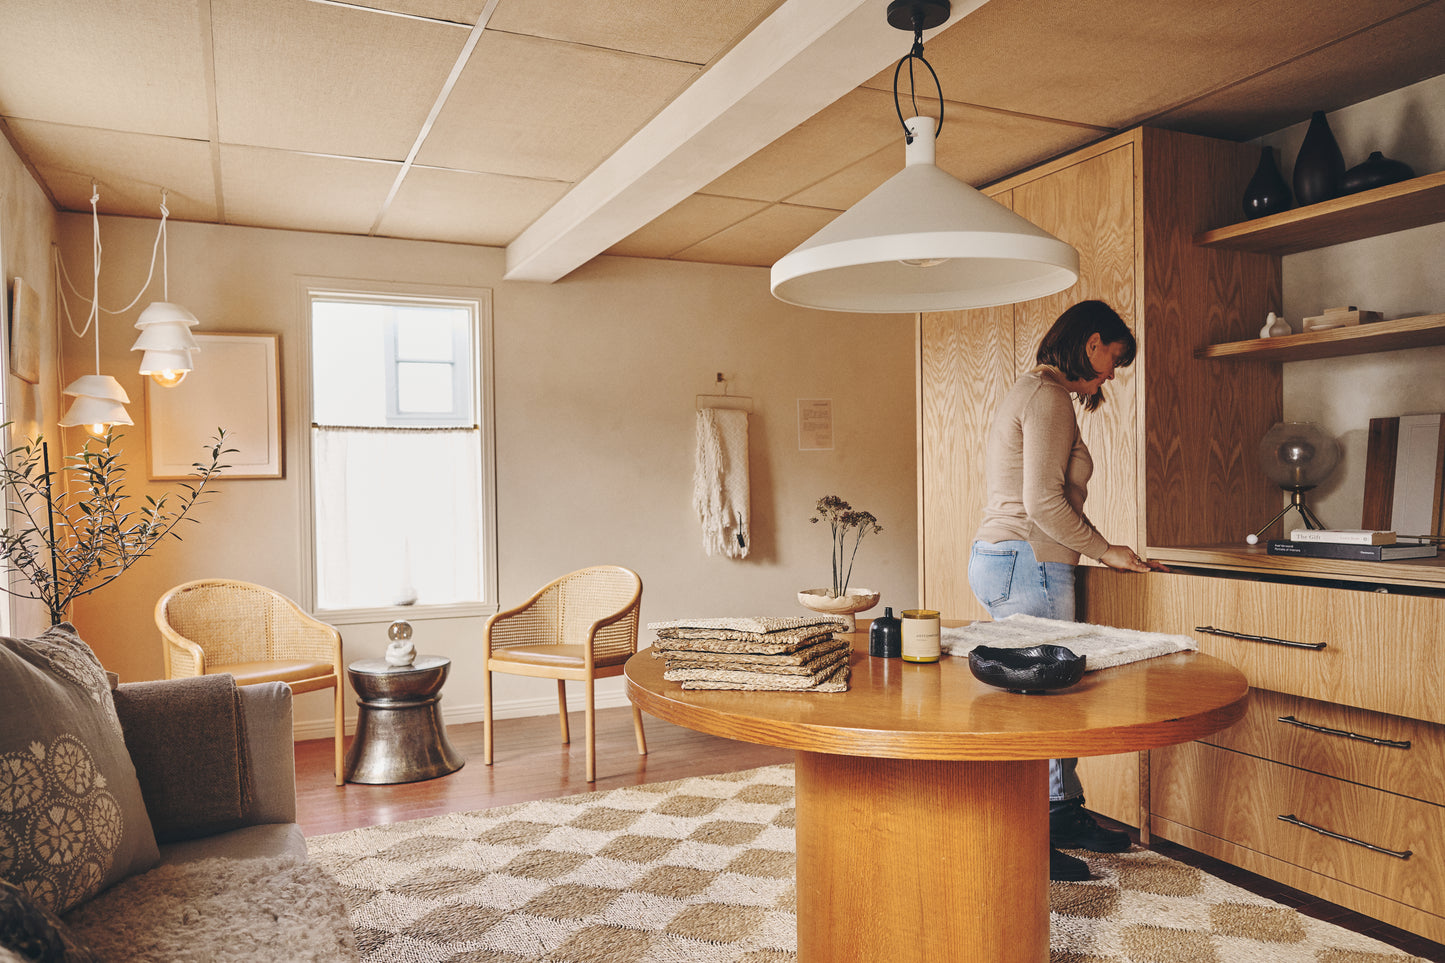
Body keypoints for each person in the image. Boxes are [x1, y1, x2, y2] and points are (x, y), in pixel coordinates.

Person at [966, 299, 1163, 882]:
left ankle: (1061, 813)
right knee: (1044, 706)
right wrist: (1107, 550)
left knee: (1044, 700)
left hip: (1008, 558)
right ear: (1093, 341)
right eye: (1112, 361)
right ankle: (1032, 837)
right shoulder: (1048, 396)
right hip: (1030, 560)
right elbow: (1043, 504)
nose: (1108, 376)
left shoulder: (1032, 390)